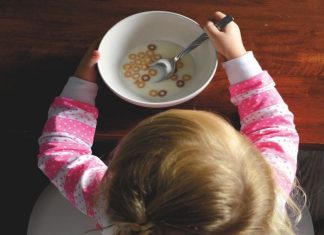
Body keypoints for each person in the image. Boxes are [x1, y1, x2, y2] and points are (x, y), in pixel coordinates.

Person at [37, 11, 308, 235]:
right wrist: (238, 56)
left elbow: (61, 152)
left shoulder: (109, 201)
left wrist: (82, 84)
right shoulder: (267, 194)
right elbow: (273, 125)